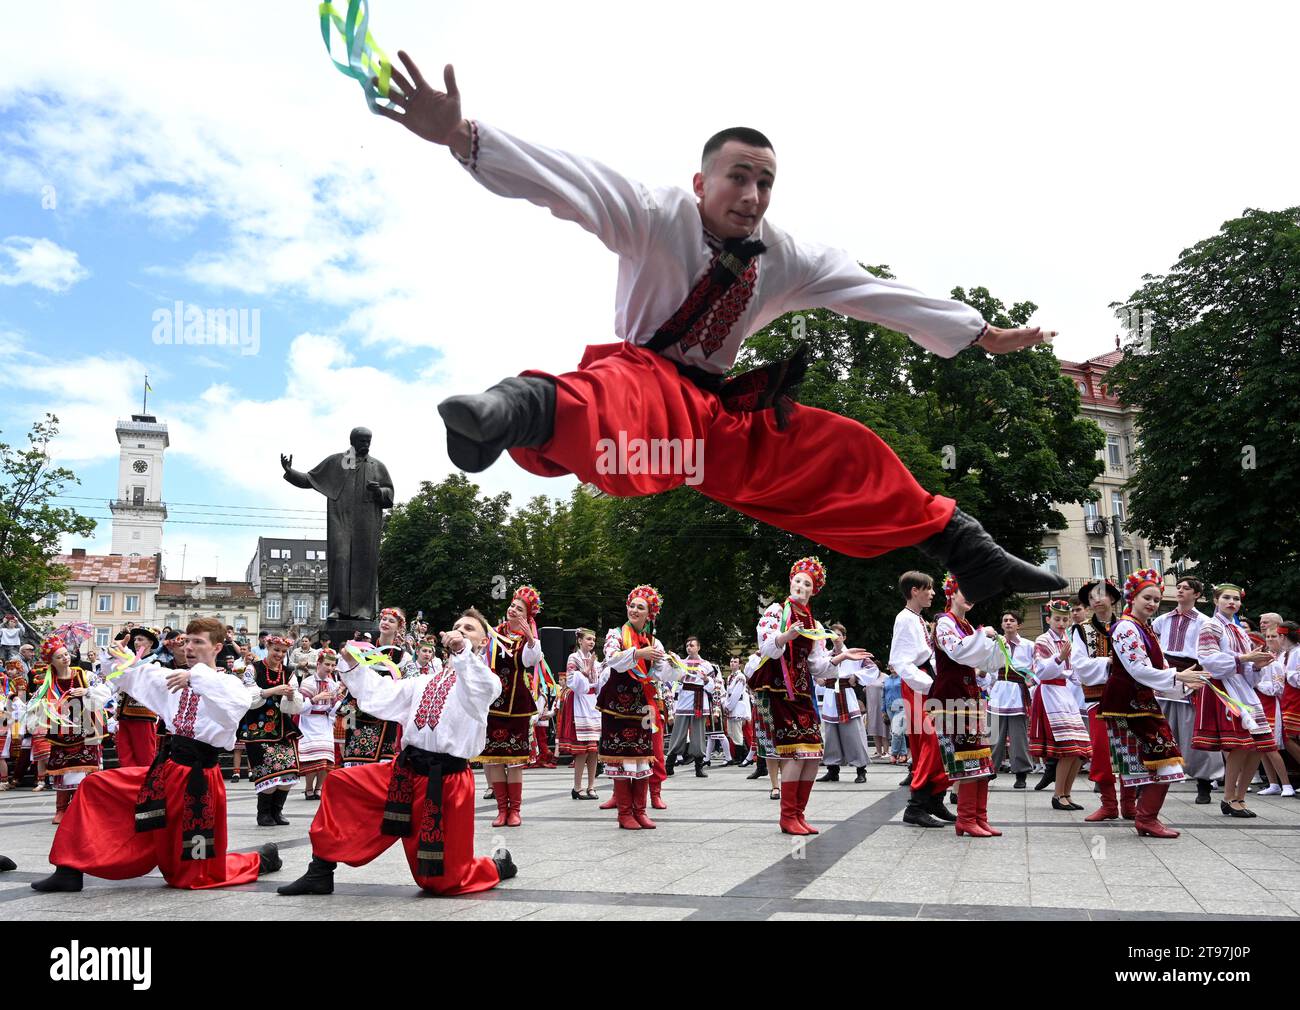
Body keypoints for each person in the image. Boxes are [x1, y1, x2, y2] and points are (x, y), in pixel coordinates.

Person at [371, 53, 1068, 609]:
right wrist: (462, 137)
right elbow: (567, 182)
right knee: (622, 401)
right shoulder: (654, 214)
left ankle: (968, 550)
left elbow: (874, 293)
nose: (754, 197)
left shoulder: (787, 254)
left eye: (766, 183)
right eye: (739, 177)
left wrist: (978, 333)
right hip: (644, 383)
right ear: (701, 183)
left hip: (720, 415)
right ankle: (508, 409)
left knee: (837, 449)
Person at [276, 610, 517, 896]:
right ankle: (320, 871)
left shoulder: (485, 680)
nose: (461, 631)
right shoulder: (425, 681)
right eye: (456, 627)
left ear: (483, 642)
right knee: (341, 783)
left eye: (469, 629)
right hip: (405, 772)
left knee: (442, 882)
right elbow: (382, 693)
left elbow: (479, 686)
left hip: (446, 781)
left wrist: (462, 650)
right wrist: (353, 666)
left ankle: (497, 866)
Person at [30, 618, 280, 892]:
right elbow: (136, 675)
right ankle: (69, 869)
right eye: (187, 641)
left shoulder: (227, 684)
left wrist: (195, 676)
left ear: (218, 647)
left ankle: (261, 860)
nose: (190, 647)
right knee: (95, 786)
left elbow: (236, 703)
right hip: (166, 773)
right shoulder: (173, 678)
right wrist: (120, 655)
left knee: (191, 875)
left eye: (199, 642)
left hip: (198, 783)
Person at [754, 558, 866, 835]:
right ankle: (787, 816)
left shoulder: (813, 622)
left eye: (808, 584)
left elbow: (818, 666)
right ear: (791, 582)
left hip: (803, 690)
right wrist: (785, 636)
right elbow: (767, 647)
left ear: (813, 591)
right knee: (794, 752)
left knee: (814, 753)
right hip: (780, 688)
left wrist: (841, 654)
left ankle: (799, 814)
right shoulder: (776, 611)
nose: (802, 586)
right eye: (799, 581)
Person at [1100, 569, 1207, 838]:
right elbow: (1137, 669)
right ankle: (1145, 818)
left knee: (1158, 761)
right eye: (1147, 597)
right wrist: (1178, 676)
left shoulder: (1143, 627)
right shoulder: (1126, 627)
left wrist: (1183, 684)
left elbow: (1155, 667)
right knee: (1164, 760)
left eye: (1157, 600)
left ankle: (1145, 817)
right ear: (1132, 598)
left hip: (1141, 703)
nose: (1152, 603)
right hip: (1128, 705)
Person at [1195, 583, 1277, 818]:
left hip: (1244, 689)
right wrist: (1244, 658)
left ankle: (1240, 797)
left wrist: (1257, 665)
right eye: (1226, 598)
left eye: (1236, 599)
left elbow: (1247, 670)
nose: (1232, 602)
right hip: (1225, 689)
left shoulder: (1239, 629)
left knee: (1260, 746)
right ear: (1216, 601)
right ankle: (1229, 797)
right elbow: (1209, 660)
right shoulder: (1210, 625)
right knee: (1241, 746)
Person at [598, 586, 673, 829]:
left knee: (642, 757)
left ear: (649, 614)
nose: (634, 610)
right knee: (621, 757)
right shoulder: (616, 634)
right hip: (616, 707)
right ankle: (624, 814)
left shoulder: (654, 642)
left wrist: (673, 665)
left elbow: (660, 674)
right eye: (632, 605)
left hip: (642, 707)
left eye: (640, 607)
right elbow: (612, 659)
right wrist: (639, 652)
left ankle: (640, 811)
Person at [932, 575, 1002, 836]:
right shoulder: (943, 622)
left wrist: (994, 644)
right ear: (951, 593)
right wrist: (984, 635)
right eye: (965, 591)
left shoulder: (966, 625)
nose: (970, 596)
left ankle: (978, 818)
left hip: (968, 697)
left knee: (982, 760)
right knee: (968, 758)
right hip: (951, 700)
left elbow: (983, 661)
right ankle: (966, 819)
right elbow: (959, 652)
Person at [477, 586, 544, 827]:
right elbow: (481, 662)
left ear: (527, 616)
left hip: (517, 705)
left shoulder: (528, 640)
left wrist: (530, 637)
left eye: (519, 608)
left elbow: (531, 660)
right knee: (494, 758)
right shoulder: (493, 635)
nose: (512, 609)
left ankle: (515, 810)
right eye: (512, 605)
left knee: (515, 759)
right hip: (494, 704)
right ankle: (501, 809)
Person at [1151, 576, 1222, 803]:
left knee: (1193, 730)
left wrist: (1201, 675)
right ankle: (1152, 780)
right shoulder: (1162, 619)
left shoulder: (1205, 621)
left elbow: (1209, 651)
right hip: (1166, 675)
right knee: (1161, 729)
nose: (1180, 590)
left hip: (1192, 674)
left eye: (1186, 588)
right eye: (1179, 587)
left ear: (1197, 595)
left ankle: (1204, 783)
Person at [889, 571, 951, 827]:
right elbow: (899, 661)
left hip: (925, 685)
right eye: (929, 588)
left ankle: (934, 799)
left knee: (938, 741)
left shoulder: (918, 619)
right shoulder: (904, 619)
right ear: (915, 590)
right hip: (917, 687)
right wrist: (930, 684)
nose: (933, 593)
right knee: (929, 742)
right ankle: (915, 805)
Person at [1069, 579, 1135, 823]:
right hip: (1098, 698)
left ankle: (1129, 804)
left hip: (1128, 699)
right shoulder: (1081, 630)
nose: (1096, 599)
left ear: (1113, 599)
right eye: (1092, 596)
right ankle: (1108, 804)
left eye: (1102, 594)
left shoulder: (1128, 627)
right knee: (1102, 750)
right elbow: (1079, 666)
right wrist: (1107, 662)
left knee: (1128, 750)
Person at [30, 636, 108, 824]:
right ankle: (61, 809)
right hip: (61, 731)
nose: (65, 658)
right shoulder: (48, 681)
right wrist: (46, 707)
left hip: (87, 728)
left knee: (86, 769)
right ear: (51, 662)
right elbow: (33, 703)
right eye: (59, 657)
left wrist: (87, 692)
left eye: (66, 654)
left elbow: (105, 692)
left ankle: (83, 808)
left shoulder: (84, 675)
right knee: (61, 768)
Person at [1030, 600, 1091, 812]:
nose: (1062, 623)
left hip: (1066, 694)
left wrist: (1085, 677)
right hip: (1050, 694)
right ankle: (1058, 795)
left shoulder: (1068, 639)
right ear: (1048, 619)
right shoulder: (1042, 640)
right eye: (1057, 619)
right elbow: (1040, 672)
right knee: (1068, 749)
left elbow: (1074, 672)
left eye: (1065, 619)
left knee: (1080, 750)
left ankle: (1066, 793)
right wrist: (1059, 658)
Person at [237, 635, 303, 826]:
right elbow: (246, 698)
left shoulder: (289, 672)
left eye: (283, 652)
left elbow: (293, 704)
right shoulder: (253, 669)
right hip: (258, 727)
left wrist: (290, 696)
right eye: (276, 650)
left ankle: (277, 811)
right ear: (268, 647)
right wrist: (271, 691)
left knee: (290, 772)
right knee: (267, 771)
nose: (279, 655)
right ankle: (263, 813)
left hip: (282, 727)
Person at [340, 607, 414, 768]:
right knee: (354, 755)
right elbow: (347, 674)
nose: (386, 623)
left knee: (382, 758)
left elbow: (409, 685)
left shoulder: (403, 656)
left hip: (386, 712)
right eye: (384, 619)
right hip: (357, 707)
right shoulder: (363, 648)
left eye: (391, 621)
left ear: (398, 627)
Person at [815, 628, 875, 784]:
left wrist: (857, 676)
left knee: (853, 735)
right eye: (833, 635)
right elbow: (814, 669)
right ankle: (832, 770)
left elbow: (872, 668)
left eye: (839, 635)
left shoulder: (853, 655)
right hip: (830, 698)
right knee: (830, 736)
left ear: (844, 637)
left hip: (846, 695)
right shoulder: (826, 656)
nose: (836, 638)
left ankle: (861, 769)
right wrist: (819, 679)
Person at [984, 612, 1034, 788]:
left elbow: (1036, 668)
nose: (1008, 623)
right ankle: (990, 770)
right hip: (999, 691)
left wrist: (1032, 683)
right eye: (1005, 620)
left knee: (1018, 736)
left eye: (1012, 620)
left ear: (1018, 624)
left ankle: (1021, 773)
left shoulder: (1029, 645)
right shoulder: (994, 644)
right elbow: (989, 669)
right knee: (994, 734)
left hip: (1018, 692)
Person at [665, 636, 715, 778]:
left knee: (698, 735)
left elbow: (714, 687)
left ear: (698, 647)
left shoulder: (706, 665)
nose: (689, 647)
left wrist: (706, 679)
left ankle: (699, 766)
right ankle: (669, 764)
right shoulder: (681, 663)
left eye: (692, 645)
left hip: (700, 700)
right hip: (683, 701)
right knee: (677, 733)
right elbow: (674, 682)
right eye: (687, 645)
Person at [1255, 625, 1296, 796]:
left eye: (1274, 636)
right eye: (1268, 636)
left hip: (1271, 707)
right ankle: (1273, 784)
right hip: (1256, 706)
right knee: (1261, 748)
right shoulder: (1252, 662)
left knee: (1271, 747)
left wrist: (1256, 683)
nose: (1270, 639)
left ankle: (1286, 784)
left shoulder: (1274, 663)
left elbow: (1277, 689)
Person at [298, 649, 344, 800]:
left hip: (324, 722)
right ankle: (308, 788)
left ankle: (319, 788)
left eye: (332, 665)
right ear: (318, 664)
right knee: (312, 757)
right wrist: (315, 699)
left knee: (325, 757)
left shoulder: (332, 684)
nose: (330, 668)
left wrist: (338, 700)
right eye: (327, 664)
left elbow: (332, 710)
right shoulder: (307, 682)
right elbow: (300, 708)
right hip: (309, 721)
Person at [562, 629, 601, 800]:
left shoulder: (595, 660)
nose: (591, 642)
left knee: (593, 749)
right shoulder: (574, 658)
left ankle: (591, 786)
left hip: (593, 703)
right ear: (580, 640)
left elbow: (599, 681)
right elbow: (572, 681)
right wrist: (585, 670)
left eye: (593, 639)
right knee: (582, 750)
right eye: (588, 639)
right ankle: (577, 787)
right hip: (579, 701)